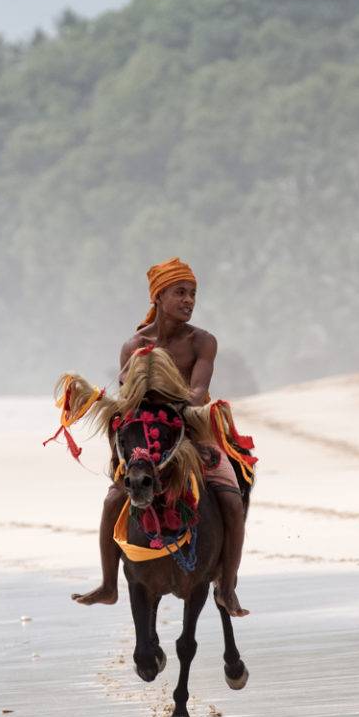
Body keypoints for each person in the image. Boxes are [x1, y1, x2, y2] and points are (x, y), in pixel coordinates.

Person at [71, 258, 249, 616]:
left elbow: (198, 391)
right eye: (180, 293)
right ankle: (109, 585)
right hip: (146, 436)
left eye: (193, 294)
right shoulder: (133, 345)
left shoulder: (203, 341)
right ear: (158, 297)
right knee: (112, 502)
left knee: (230, 499)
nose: (189, 300)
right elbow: (126, 402)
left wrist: (170, 406)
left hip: (192, 426)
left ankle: (227, 587)